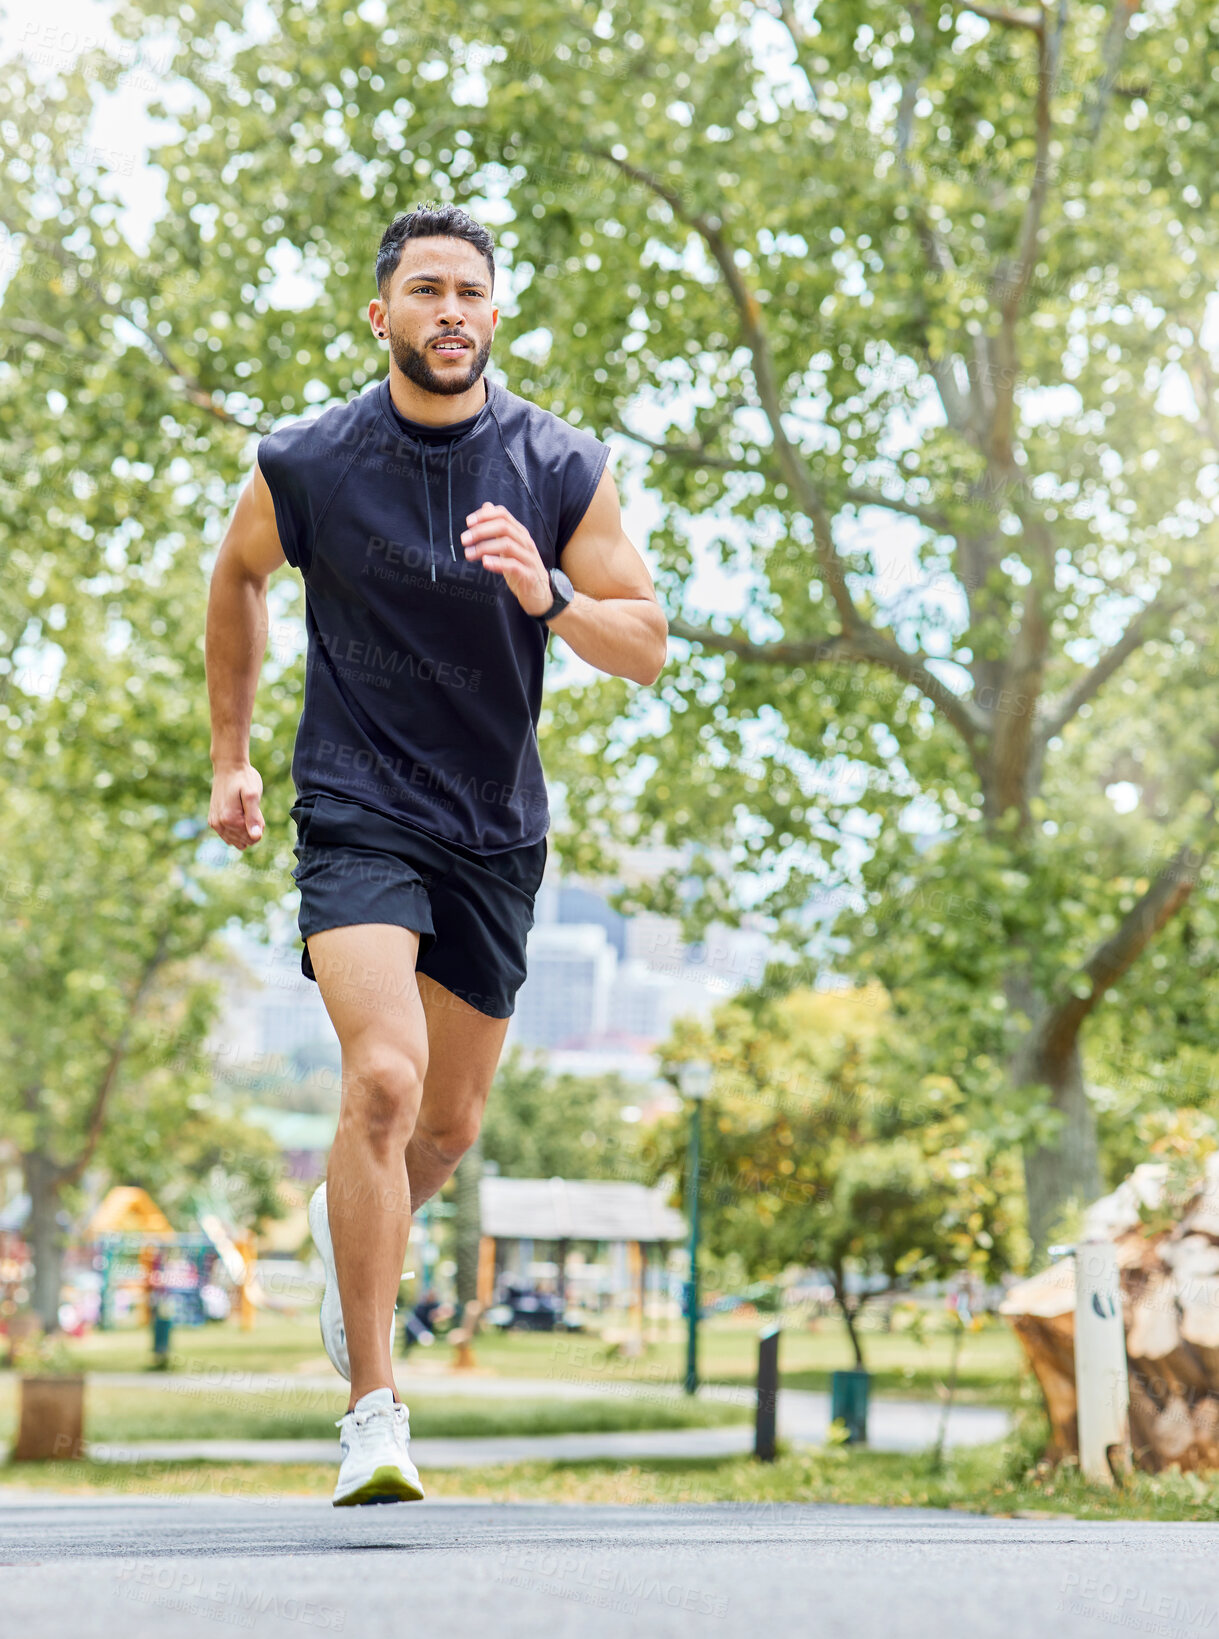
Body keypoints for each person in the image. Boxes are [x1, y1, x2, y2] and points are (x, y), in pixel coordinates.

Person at [205, 203, 667, 1506]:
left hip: (492, 834)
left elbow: (646, 641)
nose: (449, 310)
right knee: (385, 1084)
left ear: (495, 315)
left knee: (447, 1129)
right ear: (381, 316)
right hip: (355, 812)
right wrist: (232, 756)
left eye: (470, 290)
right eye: (424, 290)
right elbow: (235, 578)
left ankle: (353, 1228)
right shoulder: (308, 461)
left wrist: (551, 595)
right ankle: (373, 1409)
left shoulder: (560, 463)